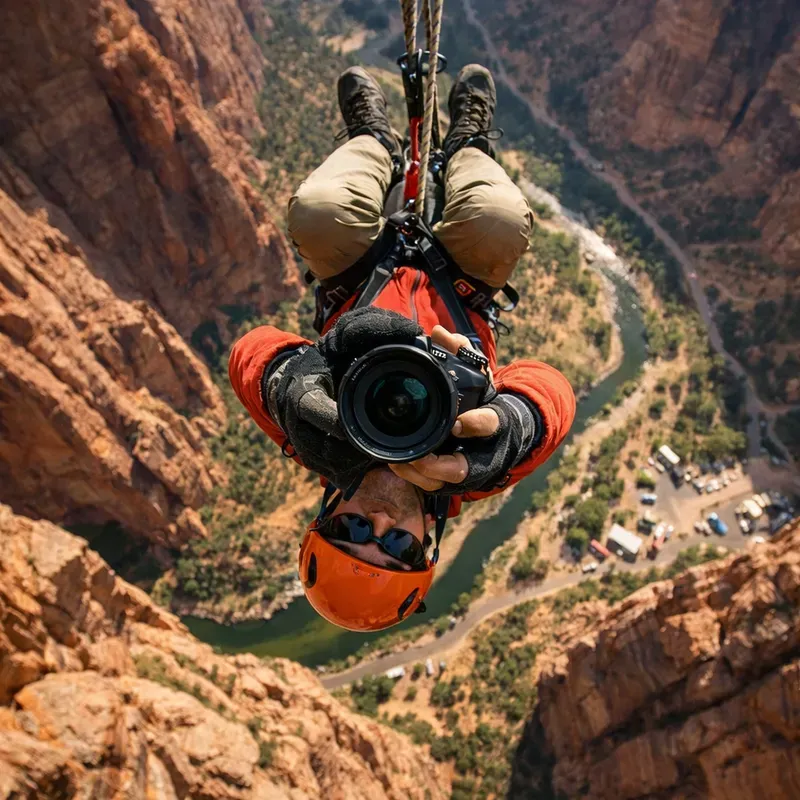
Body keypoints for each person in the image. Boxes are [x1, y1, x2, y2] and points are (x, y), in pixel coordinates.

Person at [229, 64, 576, 632]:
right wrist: (516, 424)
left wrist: (294, 381)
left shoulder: (318, 438)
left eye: (354, 534)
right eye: (399, 548)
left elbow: (250, 351)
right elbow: (555, 392)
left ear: (326, 516)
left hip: (359, 274)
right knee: (499, 219)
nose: (381, 522)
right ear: (428, 548)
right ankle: (468, 145)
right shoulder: (469, 470)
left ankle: (375, 142)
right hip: (460, 282)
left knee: (318, 211)